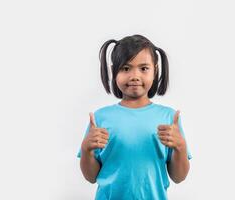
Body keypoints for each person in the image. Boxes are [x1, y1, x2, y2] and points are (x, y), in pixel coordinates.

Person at [77, 34, 192, 200]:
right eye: (125, 68)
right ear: (113, 70)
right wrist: (86, 149)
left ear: (155, 70)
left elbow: (178, 177)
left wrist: (180, 146)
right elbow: (90, 177)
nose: (134, 76)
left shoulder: (168, 117)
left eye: (144, 68)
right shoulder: (100, 118)